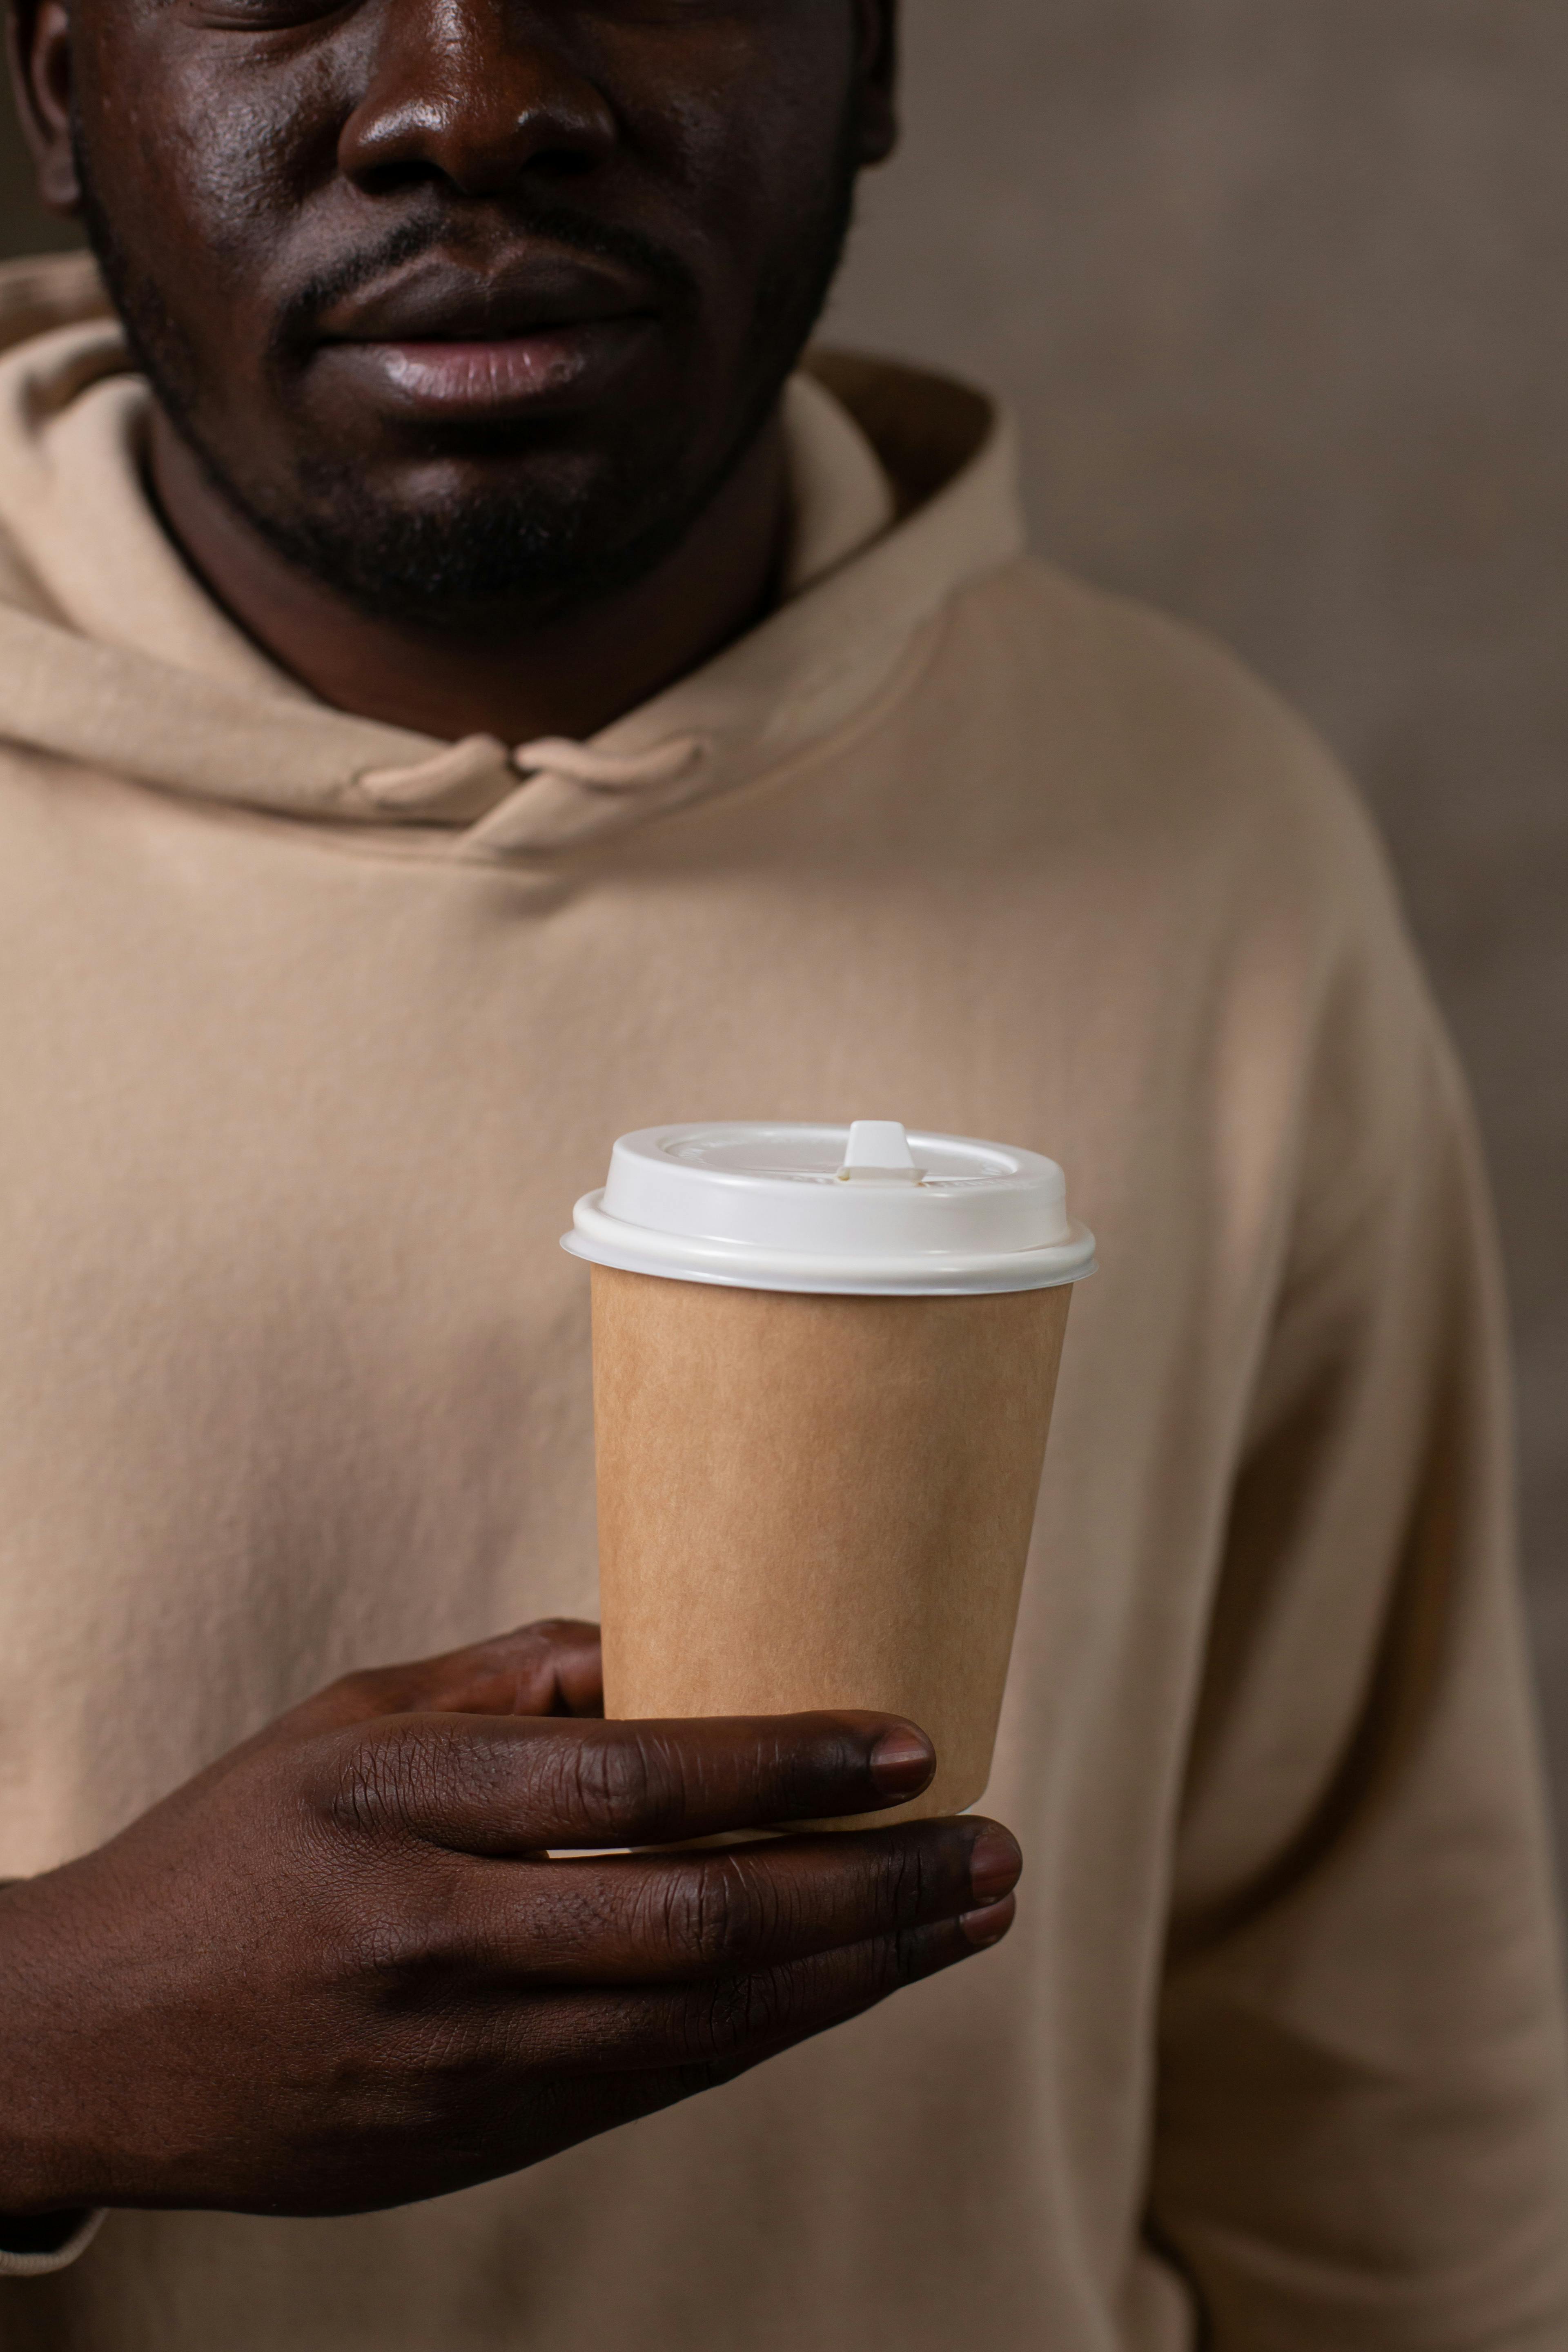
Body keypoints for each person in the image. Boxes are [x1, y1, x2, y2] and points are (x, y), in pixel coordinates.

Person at [0, 0, 1562, 2342]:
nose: (470, 97)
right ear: (51, 81)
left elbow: (1373, 2059)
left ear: (876, 56)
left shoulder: (1210, 843)